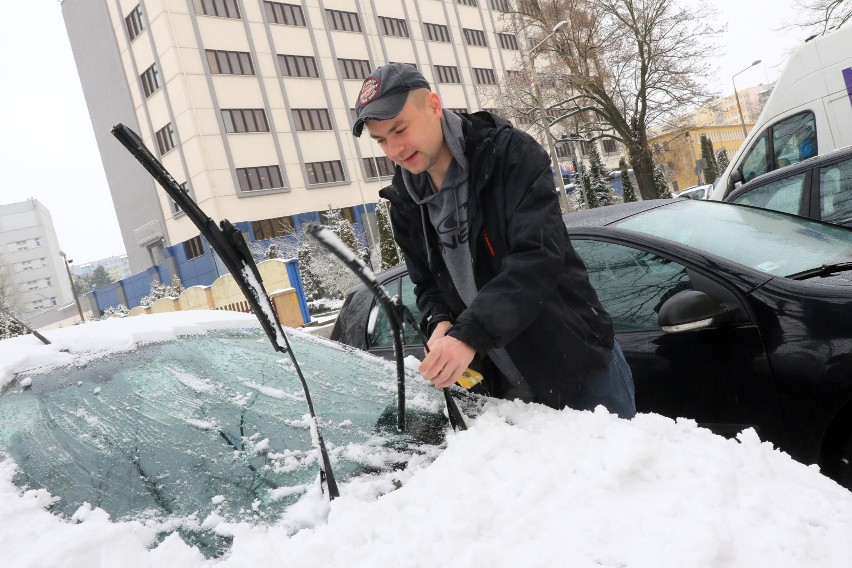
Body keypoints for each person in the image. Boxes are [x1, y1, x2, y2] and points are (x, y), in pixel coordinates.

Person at [352, 63, 635, 418]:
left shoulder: (508, 154)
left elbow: (537, 258)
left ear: (435, 106)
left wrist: (469, 334)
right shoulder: (404, 200)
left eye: (400, 130)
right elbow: (426, 283)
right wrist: (439, 322)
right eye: (381, 140)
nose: (394, 149)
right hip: (504, 386)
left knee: (620, 468)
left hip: (577, 364)